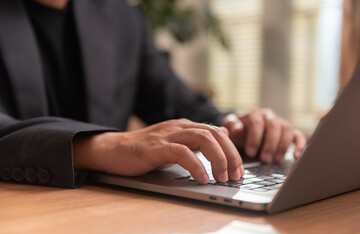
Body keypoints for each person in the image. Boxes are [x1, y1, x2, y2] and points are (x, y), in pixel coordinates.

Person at [0, 0, 306, 188]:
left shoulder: (121, 17)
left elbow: (175, 101)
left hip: (105, 213)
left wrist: (231, 127)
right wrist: (107, 146)